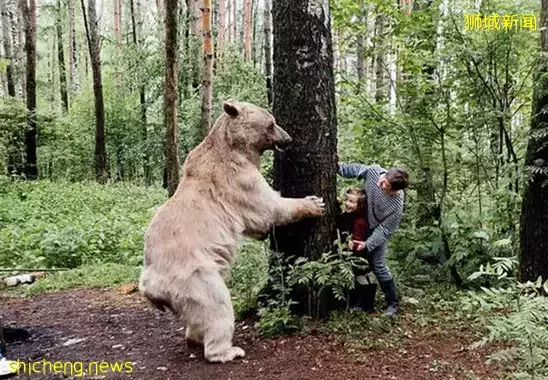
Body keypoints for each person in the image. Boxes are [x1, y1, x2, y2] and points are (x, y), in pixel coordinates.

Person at [337, 162, 409, 317]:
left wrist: (368, 244)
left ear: (395, 190)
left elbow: (386, 229)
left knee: (378, 265)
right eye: (383, 179)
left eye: (385, 185)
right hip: (361, 224)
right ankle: (361, 302)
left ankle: (392, 303)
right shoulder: (375, 172)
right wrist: (337, 167)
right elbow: (357, 170)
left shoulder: (396, 205)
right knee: (357, 265)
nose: (380, 183)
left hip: (376, 231)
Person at [336, 188, 377, 313]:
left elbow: (357, 240)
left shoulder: (360, 221)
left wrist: (349, 244)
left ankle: (367, 305)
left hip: (360, 253)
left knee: (363, 278)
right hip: (351, 253)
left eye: (352, 202)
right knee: (355, 278)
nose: (348, 204)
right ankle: (356, 303)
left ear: (360, 205)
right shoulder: (347, 216)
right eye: (347, 200)